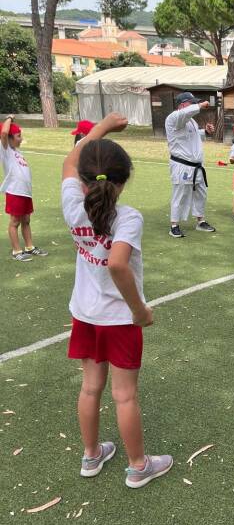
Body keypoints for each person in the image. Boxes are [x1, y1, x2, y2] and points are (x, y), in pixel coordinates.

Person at [61, 112, 173, 488]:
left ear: (84, 179)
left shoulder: (73, 204)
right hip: (119, 320)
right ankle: (138, 466)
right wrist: (139, 310)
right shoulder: (128, 217)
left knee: (90, 387)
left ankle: (91, 456)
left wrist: (103, 127)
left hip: (86, 315)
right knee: (124, 395)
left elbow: (70, 160)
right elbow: (117, 263)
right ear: (123, 181)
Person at [165, 92, 216, 238]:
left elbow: (191, 136)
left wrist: (204, 131)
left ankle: (201, 221)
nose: (193, 105)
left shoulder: (191, 121)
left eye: (195, 103)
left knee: (201, 193)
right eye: (191, 103)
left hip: (196, 166)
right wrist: (199, 106)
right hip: (181, 165)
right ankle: (174, 225)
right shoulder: (174, 118)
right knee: (180, 195)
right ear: (182, 105)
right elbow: (186, 113)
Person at [1, 115, 48, 262]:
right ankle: (16, 251)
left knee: (26, 220)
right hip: (15, 191)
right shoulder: (5, 150)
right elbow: (3, 133)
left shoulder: (16, 151)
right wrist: (9, 118)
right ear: (9, 138)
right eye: (18, 136)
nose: (21, 139)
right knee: (15, 222)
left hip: (25, 192)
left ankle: (29, 247)